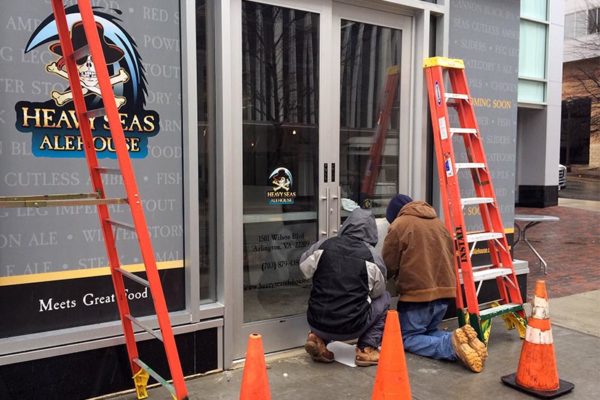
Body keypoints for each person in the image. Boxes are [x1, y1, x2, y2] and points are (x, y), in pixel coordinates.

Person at [382, 194, 488, 373]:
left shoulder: (399, 225)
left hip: (417, 297)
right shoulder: (439, 223)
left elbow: (388, 264)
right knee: (429, 331)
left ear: (395, 214)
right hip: (445, 295)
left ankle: (450, 346)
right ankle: (463, 340)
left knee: (407, 337)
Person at [299, 208, 391, 367]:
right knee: (385, 298)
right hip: (352, 327)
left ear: (347, 225)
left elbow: (304, 267)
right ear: (371, 232)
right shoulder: (371, 256)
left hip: (316, 321)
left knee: (324, 292)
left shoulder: (325, 244)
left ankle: (317, 338)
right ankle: (366, 349)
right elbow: (378, 291)